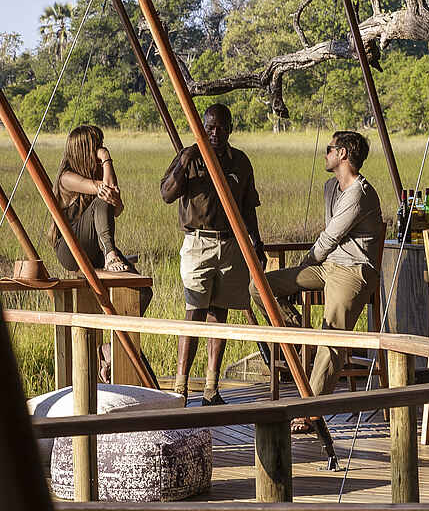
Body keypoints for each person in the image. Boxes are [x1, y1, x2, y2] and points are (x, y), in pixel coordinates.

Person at [256, 129, 385, 402]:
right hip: (328, 266)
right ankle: (302, 338)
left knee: (333, 337)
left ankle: (309, 410)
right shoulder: (330, 188)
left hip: (353, 270)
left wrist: (304, 264)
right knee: (260, 287)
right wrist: (302, 271)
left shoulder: (359, 193)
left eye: (329, 149)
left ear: (342, 154)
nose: (324, 154)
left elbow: (329, 237)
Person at [159, 103, 263, 402]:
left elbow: (248, 207)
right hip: (198, 243)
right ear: (202, 129)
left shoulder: (240, 161)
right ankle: (180, 388)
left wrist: (257, 242)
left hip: (231, 245)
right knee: (194, 312)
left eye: (221, 127)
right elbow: (167, 194)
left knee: (220, 314)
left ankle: (211, 388)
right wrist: (184, 162)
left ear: (230, 129)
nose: (215, 133)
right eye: (209, 128)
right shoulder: (189, 157)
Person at [52, 124, 137, 274]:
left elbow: (117, 211)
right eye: (98, 146)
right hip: (69, 249)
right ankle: (110, 255)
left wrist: (117, 202)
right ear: (85, 151)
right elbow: (107, 190)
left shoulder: (95, 175)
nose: (101, 148)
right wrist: (106, 157)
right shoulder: (66, 178)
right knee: (102, 198)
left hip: (94, 247)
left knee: (138, 283)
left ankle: (109, 254)